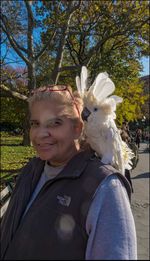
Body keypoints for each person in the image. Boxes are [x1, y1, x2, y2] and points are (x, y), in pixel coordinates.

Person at [1, 85, 137, 260]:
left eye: (55, 123)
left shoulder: (106, 188)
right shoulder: (31, 170)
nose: (41, 134)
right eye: (35, 124)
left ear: (77, 128)